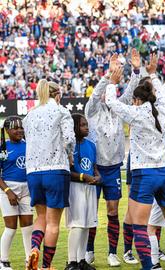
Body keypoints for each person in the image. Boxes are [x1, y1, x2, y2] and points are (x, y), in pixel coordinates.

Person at [105, 59, 165, 270]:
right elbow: (163, 93)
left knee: (140, 225)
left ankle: (149, 266)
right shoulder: (163, 108)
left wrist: (112, 82)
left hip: (144, 174)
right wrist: (153, 73)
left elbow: (110, 102)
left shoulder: (137, 113)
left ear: (137, 100)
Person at [84, 51, 141, 266]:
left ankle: (111, 252)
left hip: (113, 168)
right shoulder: (92, 110)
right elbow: (96, 94)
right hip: (95, 168)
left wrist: (135, 70)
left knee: (112, 211)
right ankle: (88, 250)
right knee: (91, 212)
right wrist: (108, 76)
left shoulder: (118, 107)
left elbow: (130, 91)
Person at [24, 80, 75, 270]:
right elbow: (69, 139)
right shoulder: (62, 112)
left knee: (41, 217)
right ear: (58, 95)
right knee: (53, 223)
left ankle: (34, 248)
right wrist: (70, 156)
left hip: (33, 172)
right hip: (56, 169)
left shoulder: (29, 115)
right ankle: (46, 266)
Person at [65, 114, 100, 270]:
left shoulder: (92, 145)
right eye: (83, 125)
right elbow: (66, 171)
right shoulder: (68, 146)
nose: (87, 127)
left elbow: (94, 168)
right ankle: (71, 261)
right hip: (75, 187)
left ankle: (81, 260)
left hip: (90, 187)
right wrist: (82, 176)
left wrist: (98, 177)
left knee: (87, 224)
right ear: (74, 128)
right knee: (77, 224)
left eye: (87, 124)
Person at [0, 116, 33, 270]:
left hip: (27, 189)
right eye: (15, 128)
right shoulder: (2, 147)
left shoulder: (29, 145)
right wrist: (8, 192)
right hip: (8, 189)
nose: (20, 130)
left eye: (21, 127)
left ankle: (30, 261)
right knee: (11, 227)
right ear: (7, 131)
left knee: (28, 226)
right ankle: (3, 261)